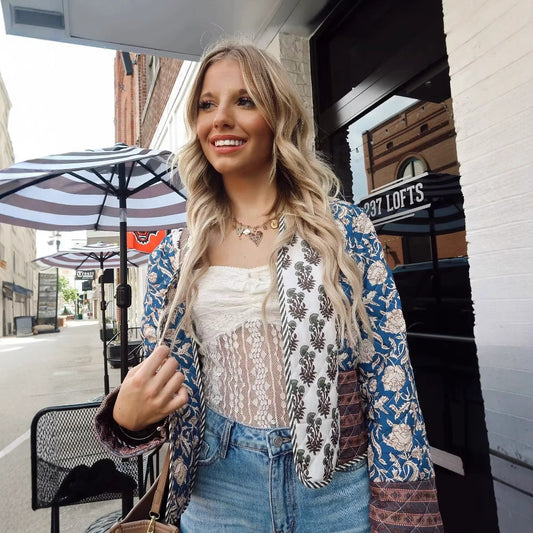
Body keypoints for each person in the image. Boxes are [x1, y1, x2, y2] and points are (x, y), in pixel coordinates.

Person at [95, 39, 443, 532]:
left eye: (244, 100)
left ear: (277, 115)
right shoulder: (177, 253)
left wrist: (400, 510)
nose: (221, 118)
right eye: (207, 105)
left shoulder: (342, 230)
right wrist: (129, 420)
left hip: (337, 490)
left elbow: (389, 375)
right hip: (220, 488)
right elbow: (161, 388)